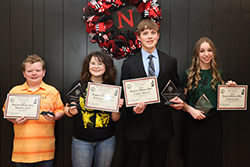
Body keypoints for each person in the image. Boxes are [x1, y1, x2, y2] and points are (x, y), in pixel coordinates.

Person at [120, 19, 184, 167]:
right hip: (136, 125)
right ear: (139, 37)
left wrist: (180, 98)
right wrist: (133, 109)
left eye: (153, 33)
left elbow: (178, 87)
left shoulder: (170, 61)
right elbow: (124, 95)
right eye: (145, 33)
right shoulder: (128, 64)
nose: (149, 36)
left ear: (158, 36)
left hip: (162, 126)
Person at [181, 37, 237, 167]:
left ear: (213, 53)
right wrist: (191, 110)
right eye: (202, 51)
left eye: (209, 50)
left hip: (214, 122)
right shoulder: (188, 74)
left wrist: (231, 90)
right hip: (193, 121)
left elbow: (224, 100)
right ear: (197, 54)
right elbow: (180, 101)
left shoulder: (218, 73)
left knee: (213, 158)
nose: (206, 54)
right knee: (193, 158)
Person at [2, 54, 64, 167]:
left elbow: (61, 110)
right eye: (30, 71)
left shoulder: (52, 91)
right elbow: (6, 112)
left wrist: (55, 116)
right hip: (22, 151)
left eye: (37, 70)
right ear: (24, 74)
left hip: (46, 150)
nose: (34, 74)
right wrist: (14, 120)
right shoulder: (15, 91)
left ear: (43, 72)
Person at [64, 51, 124, 167]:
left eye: (100, 63)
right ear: (88, 66)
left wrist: (116, 108)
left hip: (106, 140)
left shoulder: (113, 88)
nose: (96, 67)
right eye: (93, 63)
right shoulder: (78, 86)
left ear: (106, 67)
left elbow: (115, 119)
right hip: (81, 140)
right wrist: (70, 111)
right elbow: (66, 110)